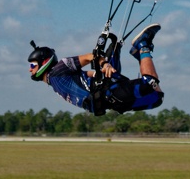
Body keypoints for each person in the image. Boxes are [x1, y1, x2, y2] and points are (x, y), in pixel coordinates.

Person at [27, 24, 163, 115]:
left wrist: (104, 64)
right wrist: (101, 70)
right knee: (156, 98)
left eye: (33, 65)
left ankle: (142, 45)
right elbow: (86, 75)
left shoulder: (59, 68)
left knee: (150, 83)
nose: (30, 70)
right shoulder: (56, 82)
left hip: (110, 92)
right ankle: (138, 53)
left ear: (44, 62)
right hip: (110, 103)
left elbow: (90, 57)